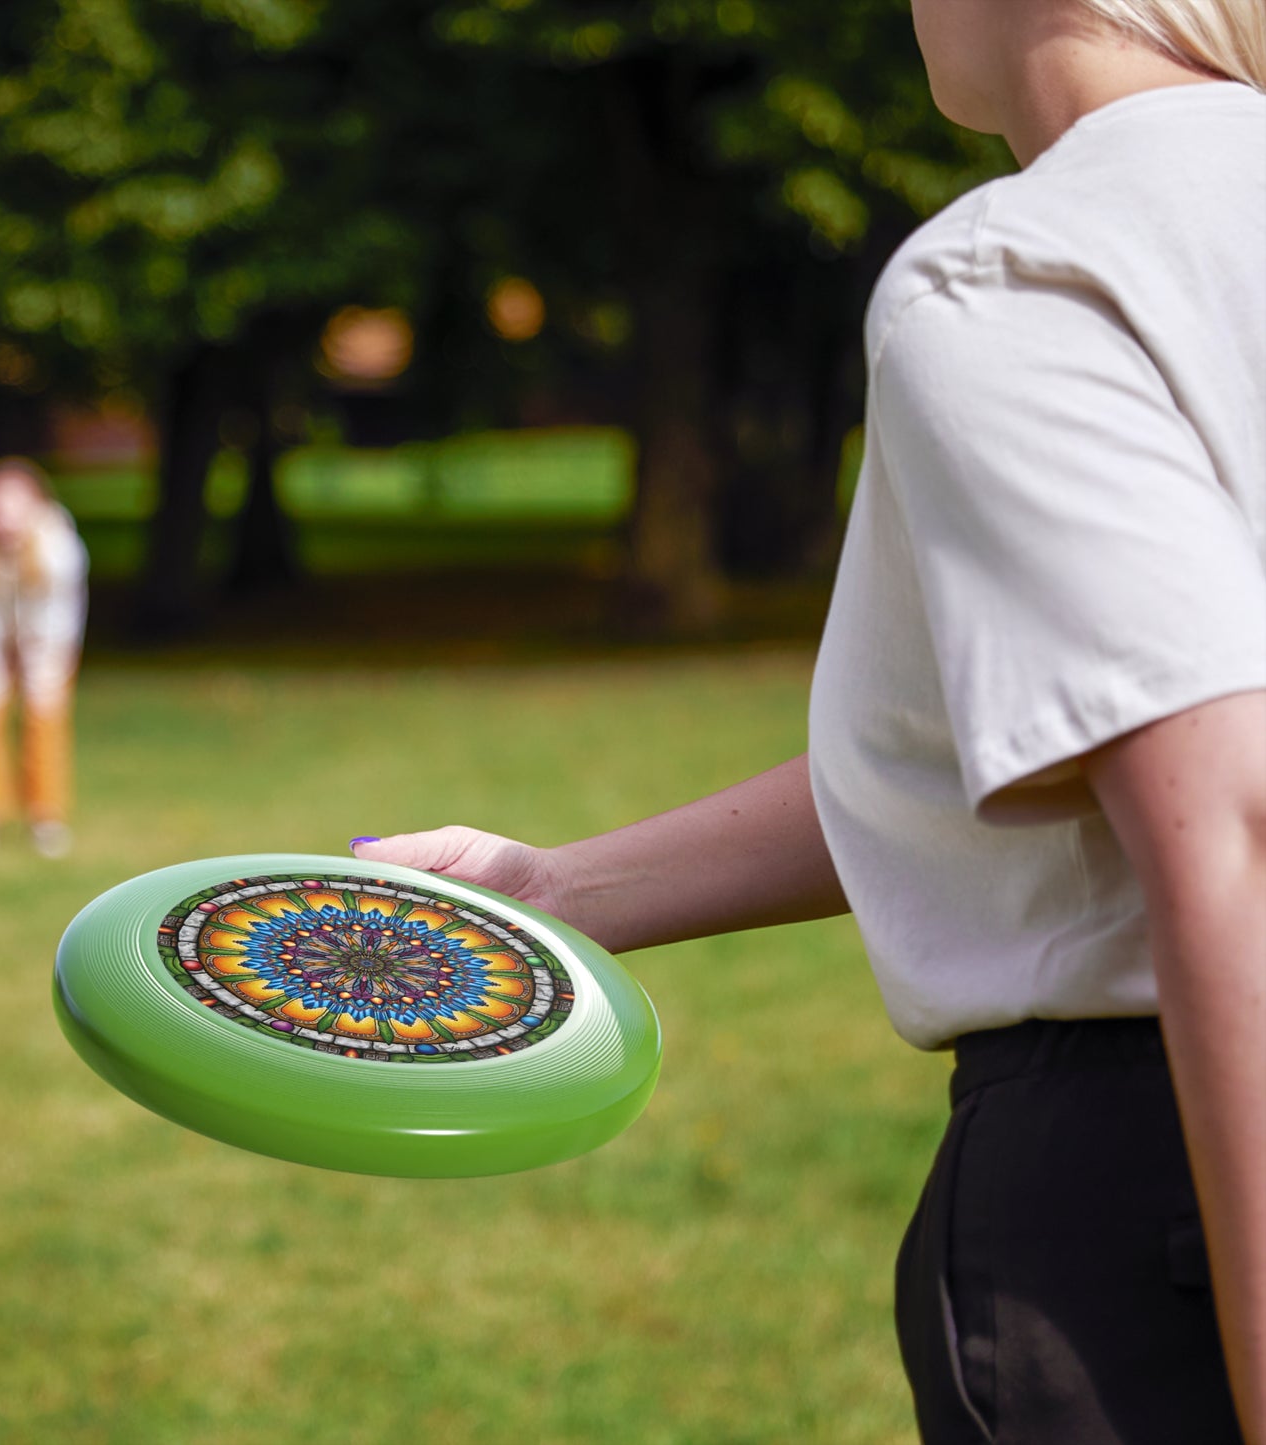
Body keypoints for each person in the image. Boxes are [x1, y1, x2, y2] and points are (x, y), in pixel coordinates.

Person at [348, 2, 1266, 1440]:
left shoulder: (1023, 270)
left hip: (1163, 1193)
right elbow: (1041, 743)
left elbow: (1230, 826)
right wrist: (556, 889)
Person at [0, 457, 89, 860]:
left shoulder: (59, 549)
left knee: (44, 716)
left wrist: (37, 658)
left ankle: (46, 817)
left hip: (47, 640)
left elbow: (60, 615)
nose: (3, 517)